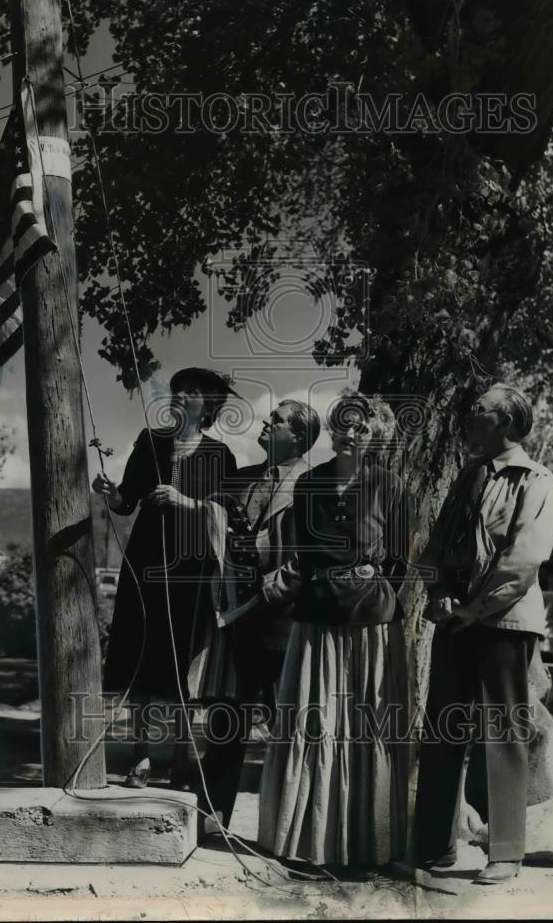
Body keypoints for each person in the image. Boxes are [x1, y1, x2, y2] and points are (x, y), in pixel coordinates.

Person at [414, 384, 553, 885]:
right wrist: (437, 593)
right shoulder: (467, 477)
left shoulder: (537, 480)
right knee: (442, 730)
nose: (469, 416)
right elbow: (436, 545)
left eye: (479, 410)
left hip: (504, 622)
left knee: (504, 734)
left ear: (506, 422)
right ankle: (434, 847)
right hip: (456, 618)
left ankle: (506, 854)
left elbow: (523, 560)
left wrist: (476, 608)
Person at [258, 389, 410, 868]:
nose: (350, 434)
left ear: (375, 435)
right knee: (315, 725)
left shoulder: (393, 487)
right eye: (343, 424)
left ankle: (370, 845)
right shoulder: (308, 487)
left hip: (372, 627)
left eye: (361, 427)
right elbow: (301, 556)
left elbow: (400, 562)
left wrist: (371, 585)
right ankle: (306, 844)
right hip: (317, 620)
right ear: (330, 429)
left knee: (367, 727)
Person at [92, 368, 237, 788]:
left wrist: (184, 500)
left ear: (207, 405)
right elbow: (127, 500)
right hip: (145, 563)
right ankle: (139, 757)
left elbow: (225, 516)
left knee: (180, 660)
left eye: (190, 392)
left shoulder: (219, 455)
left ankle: (179, 757)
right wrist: (112, 493)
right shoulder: (150, 441)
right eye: (176, 390)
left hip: (191, 571)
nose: (178, 396)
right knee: (140, 654)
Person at [189, 399, 320, 839]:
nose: (267, 423)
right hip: (239, 618)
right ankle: (210, 817)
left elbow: (308, 556)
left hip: (286, 621)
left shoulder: (312, 484)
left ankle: (288, 831)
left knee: (290, 726)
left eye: (278, 420)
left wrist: (269, 592)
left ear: (299, 436)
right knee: (227, 717)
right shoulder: (244, 480)